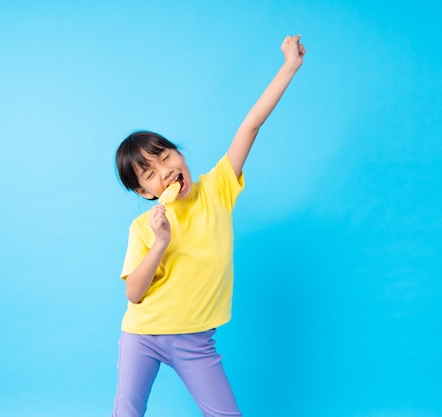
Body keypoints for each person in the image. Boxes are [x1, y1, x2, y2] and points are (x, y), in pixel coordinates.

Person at [111, 35, 306, 417]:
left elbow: (250, 127)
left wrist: (289, 68)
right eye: (151, 174)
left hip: (194, 340)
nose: (166, 171)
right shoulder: (144, 227)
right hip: (142, 335)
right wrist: (160, 243)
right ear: (145, 191)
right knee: (126, 412)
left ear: (180, 155)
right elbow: (134, 294)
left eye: (167, 156)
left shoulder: (217, 188)